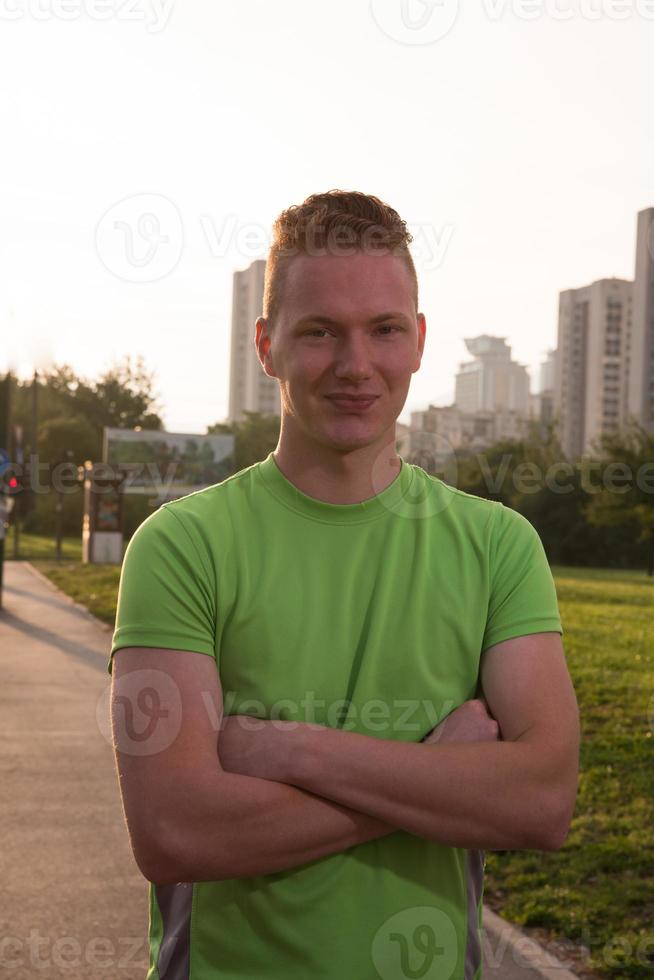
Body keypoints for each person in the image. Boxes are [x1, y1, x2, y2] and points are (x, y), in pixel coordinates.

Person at [108, 189, 580, 980]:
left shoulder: (499, 546)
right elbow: (174, 832)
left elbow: (539, 803)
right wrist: (437, 776)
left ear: (420, 340)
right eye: (320, 331)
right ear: (266, 346)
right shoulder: (181, 546)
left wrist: (292, 750)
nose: (356, 365)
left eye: (384, 330)